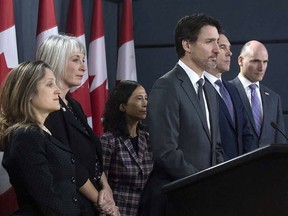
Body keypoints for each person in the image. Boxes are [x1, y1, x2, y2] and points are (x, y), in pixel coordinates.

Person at [143, 13, 224, 216]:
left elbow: (217, 147)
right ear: (187, 45)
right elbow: (166, 152)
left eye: (217, 42)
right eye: (209, 42)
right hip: (176, 201)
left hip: (206, 200)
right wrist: (201, 183)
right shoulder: (166, 86)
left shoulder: (210, 90)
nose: (217, 49)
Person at [36, 35, 119, 216]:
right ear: (55, 60)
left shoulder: (74, 106)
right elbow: (68, 165)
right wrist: (102, 202)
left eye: (83, 60)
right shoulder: (49, 109)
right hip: (73, 206)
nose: (83, 67)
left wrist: (106, 187)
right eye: (75, 60)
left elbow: (93, 156)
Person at [0, 60, 82, 215]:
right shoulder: (26, 136)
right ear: (28, 93)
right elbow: (48, 201)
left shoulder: (40, 132)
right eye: (50, 84)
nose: (58, 90)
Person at [100, 80, 153, 216]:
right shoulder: (109, 140)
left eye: (146, 98)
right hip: (117, 211)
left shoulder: (147, 139)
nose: (145, 103)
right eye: (139, 99)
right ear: (123, 106)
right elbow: (100, 182)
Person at [204, 34, 256, 160]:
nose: (230, 53)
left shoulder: (233, 89)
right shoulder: (199, 88)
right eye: (223, 47)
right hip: (216, 172)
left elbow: (246, 133)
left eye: (229, 48)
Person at [230, 40, 286, 148]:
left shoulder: (274, 98)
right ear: (240, 60)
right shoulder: (226, 91)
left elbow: (280, 141)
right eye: (255, 61)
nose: (261, 68)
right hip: (238, 163)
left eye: (265, 62)